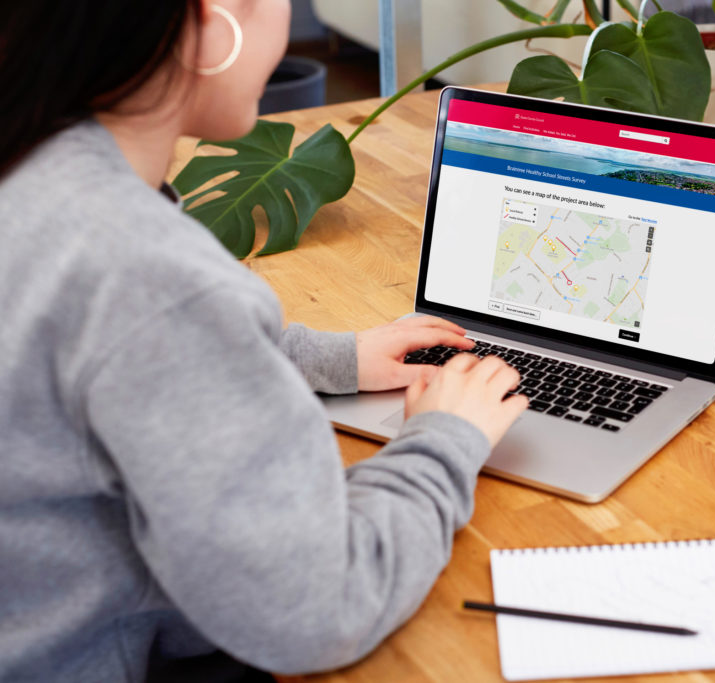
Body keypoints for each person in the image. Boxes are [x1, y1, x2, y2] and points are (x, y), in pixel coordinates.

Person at [0, 1, 528, 680]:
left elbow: (100, 355)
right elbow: (319, 607)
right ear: (210, 25)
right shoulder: (148, 275)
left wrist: (321, 357)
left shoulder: (36, 159)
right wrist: (443, 438)